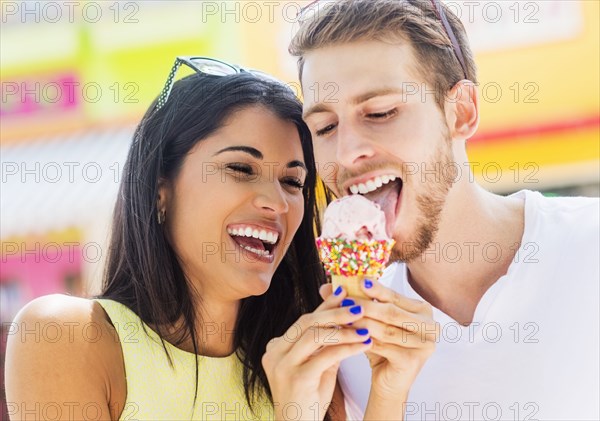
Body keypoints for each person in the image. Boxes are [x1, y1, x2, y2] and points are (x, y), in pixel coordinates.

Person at [4, 56, 435, 421]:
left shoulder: (305, 362)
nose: (277, 202)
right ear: (161, 189)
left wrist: (389, 393)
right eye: (240, 169)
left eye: (292, 180)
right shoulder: (68, 336)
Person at [289, 0, 600, 419]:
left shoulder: (589, 245)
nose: (346, 153)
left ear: (461, 112)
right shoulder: (343, 346)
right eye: (324, 127)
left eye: (380, 112)